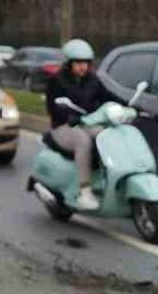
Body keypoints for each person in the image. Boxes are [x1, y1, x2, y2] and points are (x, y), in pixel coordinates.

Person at [45, 38, 113, 211]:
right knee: (83, 141)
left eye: (86, 62)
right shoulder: (57, 81)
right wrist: (67, 116)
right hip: (62, 127)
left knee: (107, 135)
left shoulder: (92, 79)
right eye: (78, 63)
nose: (83, 66)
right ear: (68, 63)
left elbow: (107, 96)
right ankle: (85, 191)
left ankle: (107, 179)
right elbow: (52, 107)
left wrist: (127, 105)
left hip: (85, 123)